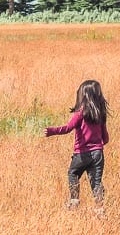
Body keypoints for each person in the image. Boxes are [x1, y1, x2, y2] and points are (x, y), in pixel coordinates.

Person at [44, 79, 109, 214]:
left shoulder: (80, 113)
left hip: (81, 154)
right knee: (96, 182)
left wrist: (51, 131)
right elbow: (106, 139)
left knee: (73, 173)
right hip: (98, 154)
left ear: (82, 96)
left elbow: (68, 128)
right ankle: (100, 208)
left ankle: (74, 200)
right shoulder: (100, 115)